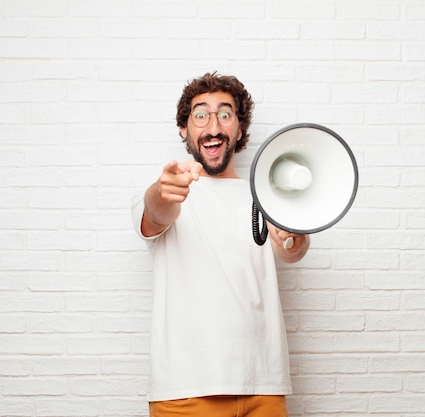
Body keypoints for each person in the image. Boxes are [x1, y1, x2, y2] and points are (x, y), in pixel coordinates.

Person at [131, 72, 310, 417]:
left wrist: (294, 240)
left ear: (239, 130)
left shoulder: (267, 195)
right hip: (186, 391)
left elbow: (292, 251)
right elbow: (156, 212)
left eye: (225, 114)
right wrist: (162, 193)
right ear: (184, 128)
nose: (213, 125)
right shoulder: (170, 189)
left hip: (264, 387)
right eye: (201, 115)